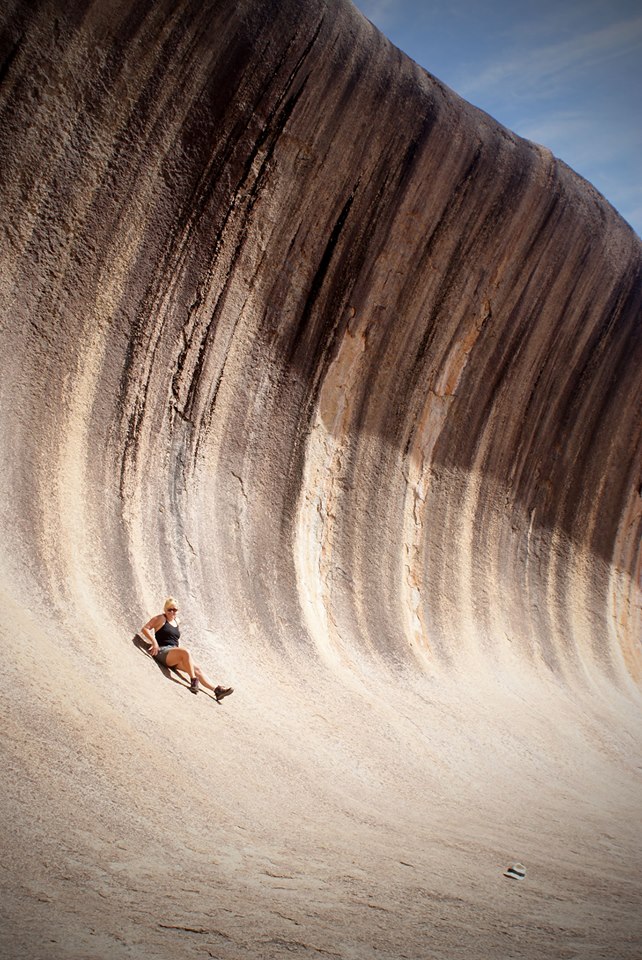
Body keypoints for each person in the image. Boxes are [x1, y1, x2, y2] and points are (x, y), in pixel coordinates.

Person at [141, 597, 233, 701]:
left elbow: (174, 639)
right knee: (185, 652)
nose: (172, 612)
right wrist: (154, 642)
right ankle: (193, 681)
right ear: (165, 610)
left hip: (174, 654)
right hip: (162, 651)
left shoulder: (177, 621)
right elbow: (145, 628)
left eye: (174, 610)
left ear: (177, 610)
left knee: (197, 669)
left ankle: (217, 690)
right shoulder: (160, 618)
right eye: (169, 610)